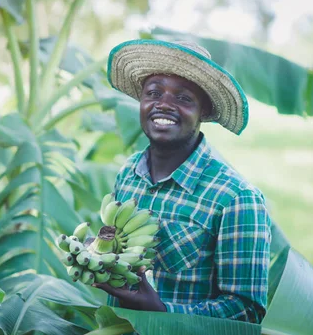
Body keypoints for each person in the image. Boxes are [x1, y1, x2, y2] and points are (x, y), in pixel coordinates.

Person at [92, 39, 272, 324]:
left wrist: (162, 312)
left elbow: (246, 311)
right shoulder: (128, 173)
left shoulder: (235, 198)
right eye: (153, 92)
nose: (163, 104)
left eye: (183, 98)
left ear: (203, 112)